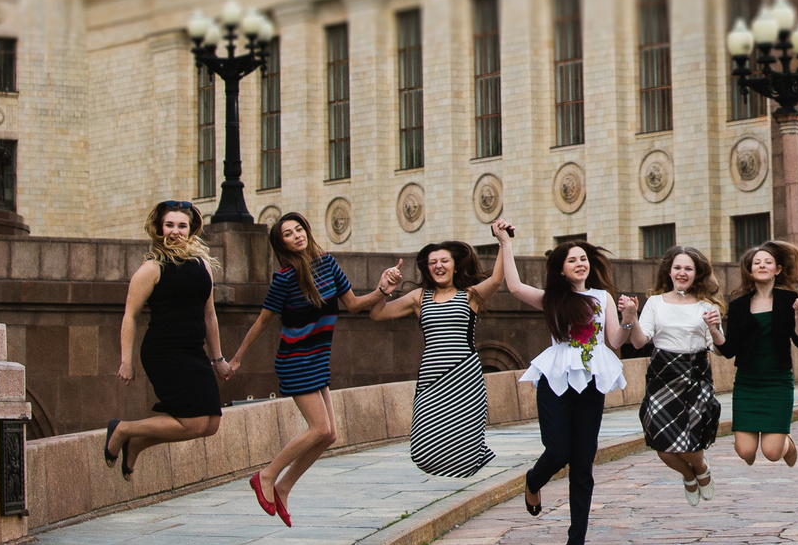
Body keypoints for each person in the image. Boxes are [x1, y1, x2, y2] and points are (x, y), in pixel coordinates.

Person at [223, 211, 392, 523]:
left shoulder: (328, 264)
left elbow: (354, 304)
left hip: (318, 358)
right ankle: (266, 476)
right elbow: (262, 322)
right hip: (295, 360)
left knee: (329, 435)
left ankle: (284, 487)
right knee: (319, 429)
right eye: (288, 234)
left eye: (298, 229)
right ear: (282, 244)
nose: (296, 235)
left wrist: (382, 290)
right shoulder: (284, 278)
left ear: (307, 231)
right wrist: (237, 358)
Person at [502, 228, 633, 545]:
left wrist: (629, 318)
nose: (579, 263)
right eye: (572, 260)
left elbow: (615, 339)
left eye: (583, 259)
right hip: (557, 381)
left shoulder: (602, 297)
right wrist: (505, 243)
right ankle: (533, 481)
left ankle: (577, 543)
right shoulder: (552, 298)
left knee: (583, 464)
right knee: (558, 452)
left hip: (591, 382)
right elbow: (514, 287)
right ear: (561, 269)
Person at [107, 201, 234, 481]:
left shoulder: (202, 265)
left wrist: (218, 359)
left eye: (181, 226)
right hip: (164, 352)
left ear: (191, 230)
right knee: (193, 422)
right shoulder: (152, 268)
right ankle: (124, 429)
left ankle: (136, 443)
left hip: (194, 351)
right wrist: (126, 361)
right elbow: (130, 316)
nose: (175, 231)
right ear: (159, 229)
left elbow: (209, 315)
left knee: (211, 423)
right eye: (169, 225)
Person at [368, 236, 505, 480]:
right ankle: (448, 473)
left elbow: (496, 279)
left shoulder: (470, 295)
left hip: (465, 377)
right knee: (423, 445)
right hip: (431, 379)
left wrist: (504, 243)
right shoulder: (418, 297)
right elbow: (377, 314)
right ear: (427, 268)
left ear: (455, 266)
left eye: (444, 261)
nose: (439, 266)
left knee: (465, 439)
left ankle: (462, 477)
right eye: (433, 262)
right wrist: (383, 289)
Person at [626, 246, 724, 505]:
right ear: (669, 272)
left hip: (695, 375)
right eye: (677, 267)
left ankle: (701, 469)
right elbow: (639, 342)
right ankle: (689, 475)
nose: (682, 273)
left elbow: (719, 348)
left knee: (691, 443)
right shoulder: (655, 302)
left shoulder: (706, 306)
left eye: (688, 268)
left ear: (697, 273)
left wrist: (714, 328)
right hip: (662, 375)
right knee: (662, 444)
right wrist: (631, 317)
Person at [718, 240, 798, 469]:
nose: (762, 265)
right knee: (745, 452)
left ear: (777, 270)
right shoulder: (738, 305)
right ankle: (759, 442)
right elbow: (729, 350)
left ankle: (787, 443)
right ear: (749, 271)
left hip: (777, 383)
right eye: (756, 262)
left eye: (768, 262)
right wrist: (713, 330)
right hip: (747, 384)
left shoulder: (789, 300)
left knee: (771, 453)